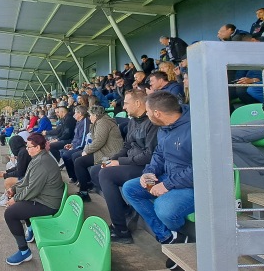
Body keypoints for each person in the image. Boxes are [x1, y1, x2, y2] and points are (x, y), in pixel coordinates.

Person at [122, 91, 193, 270]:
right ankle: (168, 237)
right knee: (130, 188)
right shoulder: (165, 127)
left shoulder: (194, 128)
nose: (146, 114)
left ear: (157, 114)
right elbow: (159, 154)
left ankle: (177, 238)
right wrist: (149, 172)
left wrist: (167, 185)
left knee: (164, 208)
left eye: (147, 111)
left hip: (194, 184)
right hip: (169, 177)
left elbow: (201, 169)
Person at [90, 90, 159, 243]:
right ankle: (124, 209)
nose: (124, 106)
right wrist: (112, 160)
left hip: (146, 168)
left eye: (126, 103)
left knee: (106, 175)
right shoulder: (133, 120)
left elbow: (150, 155)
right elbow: (127, 146)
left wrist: (120, 162)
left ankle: (121, 230)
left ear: (138, 103)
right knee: (96, 170)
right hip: (131, 162)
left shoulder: (152, 123)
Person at [3, 133, 64, 265]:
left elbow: (32, 190)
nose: (27, 149)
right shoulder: (37, 158)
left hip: (48, 204)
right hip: (42, 197)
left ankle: (24, 252)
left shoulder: (42, 163)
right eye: (27, 146)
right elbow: (26, 181)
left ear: (38, 148)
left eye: (30, 147)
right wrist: (13, 189)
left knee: (10, 213)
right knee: (18, 203)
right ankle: (30, 229)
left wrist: (15, 199)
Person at [74, 105, 123, 202]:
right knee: (76, 157)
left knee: (79, 161)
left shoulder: (103, 123)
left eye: (91, 115)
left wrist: (86, 151)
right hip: (103, 150)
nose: (89, 117)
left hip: (109, 153)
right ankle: (86, 184)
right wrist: (86, 150)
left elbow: (99, 142)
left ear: (96, 115)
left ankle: (84, 191)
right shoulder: (100, 121)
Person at [0, 135, 33, 206]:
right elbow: (18, 167)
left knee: (8, 181)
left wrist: (4, 175)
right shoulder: (23, 150)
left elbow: (19, 172)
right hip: (27, 175)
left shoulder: (23, 153)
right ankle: (5, 195)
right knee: (8, 177)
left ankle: (8, 200)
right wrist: (6, 172)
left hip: (27, 178)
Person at [61, 105, 91, 182]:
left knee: (66, 155)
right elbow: (76, 137)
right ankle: (73, 176)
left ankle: (76, 177)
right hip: (76, 145)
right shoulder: (79, 122)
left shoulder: (85, 122)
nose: (74, 114)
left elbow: (83, 140)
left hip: (82, 147)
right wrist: (71, 144)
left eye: (75, 113)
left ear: (80, 114)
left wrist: (74, 147)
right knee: (63, 152)